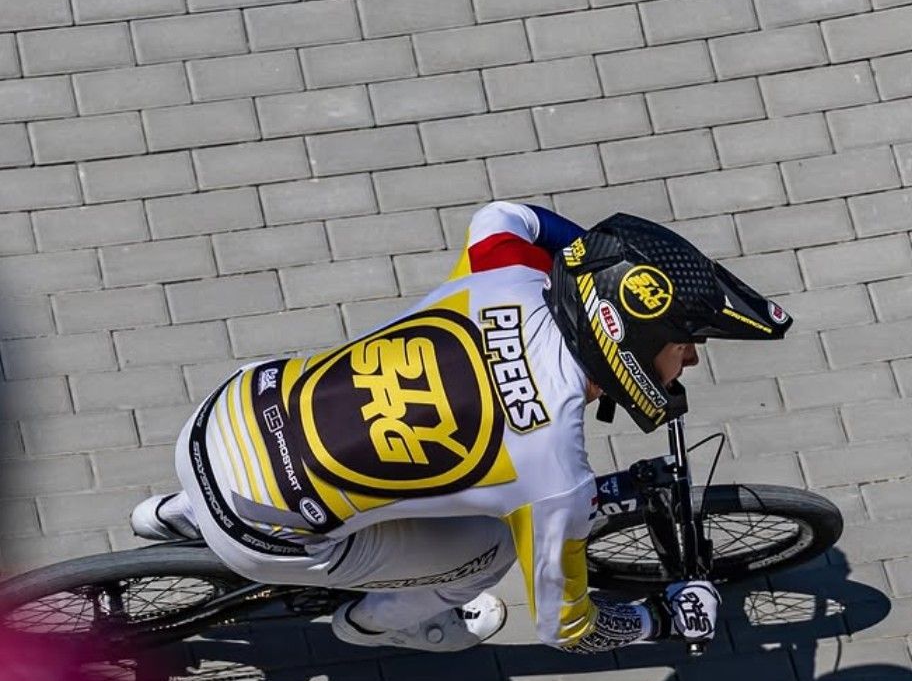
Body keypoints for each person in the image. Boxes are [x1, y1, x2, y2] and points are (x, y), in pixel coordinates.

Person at [131, 201, 791, 654]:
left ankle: (175, 513)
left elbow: (505, 215)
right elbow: (567, 628)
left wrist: (585, 259)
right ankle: (379, 625)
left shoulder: (507, 274)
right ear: (633, 347)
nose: (691, 359)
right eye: (684, 344)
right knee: (492, 548)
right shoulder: (554, 474)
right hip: (258, 530)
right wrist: (662, 619)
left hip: (221, 414)